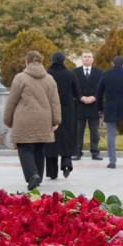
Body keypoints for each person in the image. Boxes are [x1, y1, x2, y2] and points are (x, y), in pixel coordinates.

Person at [4, 51, 61, 191]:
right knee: (39, 149)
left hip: (24, 119)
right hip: (44, 119)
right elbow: (55, 102)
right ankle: (38, 177)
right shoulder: (50, 79)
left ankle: (32, 175)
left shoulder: (20, 78)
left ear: (26, 61)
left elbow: (12, 101)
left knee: (25, 148)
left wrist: (8, 119)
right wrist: (56, 120)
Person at [95, 56, 123, 169]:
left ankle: (112, 161)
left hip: (110, 107)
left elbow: (99, 93)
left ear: (112, 63)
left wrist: (100, 108)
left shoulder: (105, 75)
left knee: (111, 134)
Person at [43, 52, 80, 180]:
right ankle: (66, 162)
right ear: (64, 61)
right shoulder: (70, 74)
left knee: (51, 138)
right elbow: (77, 92)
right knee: (67, 136)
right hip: (68, 109)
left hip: (50, 109)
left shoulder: (47, 75)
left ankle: (52, 172)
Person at [73, 50, 103, 161]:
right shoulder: (75, 72)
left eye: (89, 57)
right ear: (81, 59)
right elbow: (73, 87)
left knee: (94, 132)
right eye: (85, 57)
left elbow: (101, 88)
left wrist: (94, 97)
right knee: (78, 131)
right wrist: (80, 97)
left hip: (94, 106)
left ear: (92, 59)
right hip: (80, 105)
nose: (87, 58)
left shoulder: (99, 72)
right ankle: (77, 152)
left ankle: (95, 152)